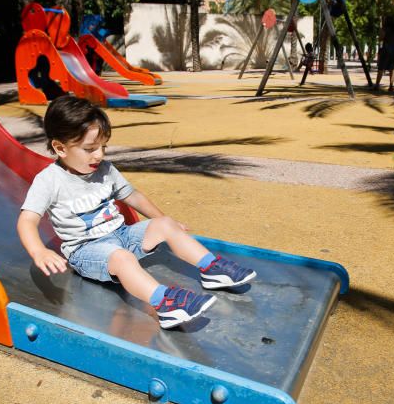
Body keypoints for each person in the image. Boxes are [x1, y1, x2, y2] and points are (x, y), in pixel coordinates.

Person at [17, 95, 257, 330]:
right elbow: (27, 220)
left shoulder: (105, 169)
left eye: (103, 146)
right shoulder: (49, 181)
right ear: (60, 148)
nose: (99, 154)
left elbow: (134, 196)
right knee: (123, 258)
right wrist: (38, 251)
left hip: (122, 235)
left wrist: (165, 222)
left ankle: (211, 269)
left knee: (163, 225)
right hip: (87, 250)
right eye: (90, 148)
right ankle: (165, 303)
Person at [374, 17, 394, 92]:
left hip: (385, 50)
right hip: (393, 50)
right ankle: (391, 86)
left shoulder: (385, 29)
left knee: (381, 68)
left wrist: (381, 29)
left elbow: (381, 38)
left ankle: (377, 85)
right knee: (392, 69)